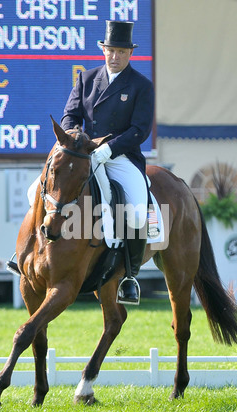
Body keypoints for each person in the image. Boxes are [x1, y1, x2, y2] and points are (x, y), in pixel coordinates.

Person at [61, 20, 155, 304]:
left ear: (130, 54)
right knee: (37, 191)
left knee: (138, 214)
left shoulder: (141, 86)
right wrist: (77, 139)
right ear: (103, 50)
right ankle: (28, 253)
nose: (115, 57)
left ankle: (129, 274)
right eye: (111, 50)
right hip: (84, 154)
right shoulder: (86, 79)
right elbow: (69, 116)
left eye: (121, 52)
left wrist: (109, 150)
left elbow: (140, 130)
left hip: (121, 157)